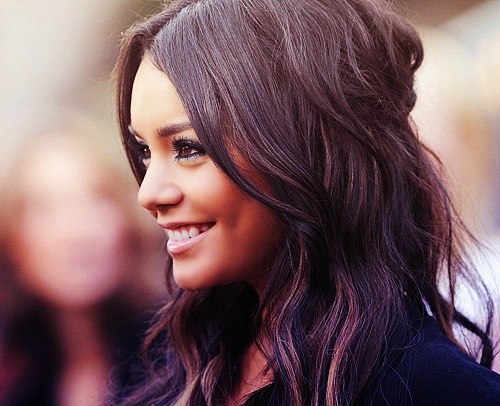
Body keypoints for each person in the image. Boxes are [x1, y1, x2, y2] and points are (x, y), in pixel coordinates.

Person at [114, 0, 500, 404]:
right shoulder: (181, 365)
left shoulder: (440, 392)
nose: (149, 194)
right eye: (145, 151)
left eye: (189, 148)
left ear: (306, 146)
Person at [0, 121, 163, 405]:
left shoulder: (192, 351)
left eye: (99, 198)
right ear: (11, 240)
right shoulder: (17, 376)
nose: (77, 232)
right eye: (43, 208)